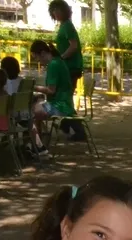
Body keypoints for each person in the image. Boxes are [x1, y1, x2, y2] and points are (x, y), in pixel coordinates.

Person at [29, 40, 76, 157]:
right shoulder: (58, 61)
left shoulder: (53, 65)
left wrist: (32, 87)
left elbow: (51, 90)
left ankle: (37, 145)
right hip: (64, 104)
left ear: (42, 53)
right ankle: (39, 142)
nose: (38, 61)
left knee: (30, 113)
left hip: (60, 106)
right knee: (36, 106)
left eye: (36, 58)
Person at [48, 0, 85, 140]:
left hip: (71, 68)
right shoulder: (64, 25)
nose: (55, 13)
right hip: (68, 67)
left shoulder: (67, 26)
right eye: (53, 10)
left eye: (57, 10)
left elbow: (73, 46)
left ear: (64, 11)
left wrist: (61, 58)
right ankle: (66, 124)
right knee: (64, 98)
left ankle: (78, 130)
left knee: (64, 100)